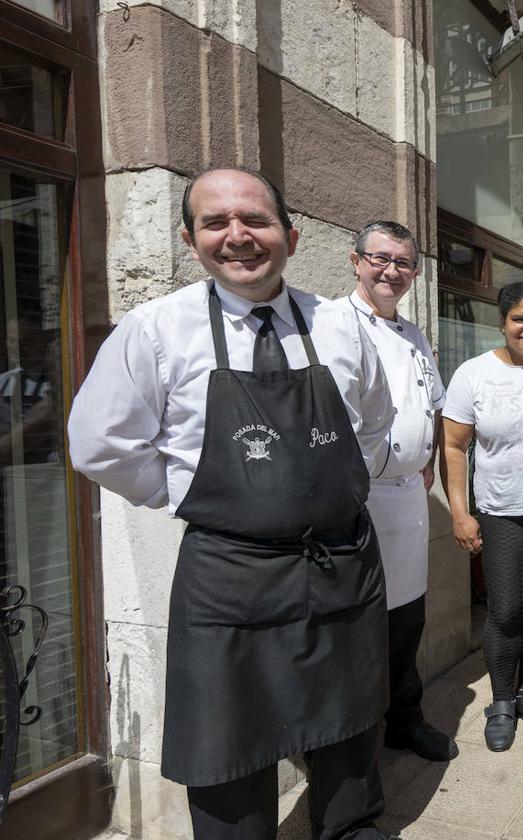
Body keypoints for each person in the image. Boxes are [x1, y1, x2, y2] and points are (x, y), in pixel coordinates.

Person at [68, 168, 397, 840]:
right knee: (227, 753)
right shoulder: (156, 330)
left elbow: (372, 421)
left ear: (292, 236)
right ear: (191, 241)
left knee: (349, 732)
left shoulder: (340, 325)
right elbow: (100, 445)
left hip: (342, 564)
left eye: (256, 220)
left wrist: (324, 487)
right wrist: (192, 493)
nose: (238, 236)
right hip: (229, 577)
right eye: (216, 223)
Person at [334, 220, 458, 762]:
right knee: (359, 624)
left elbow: (432, 400)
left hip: (408, 494)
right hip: (357, 499)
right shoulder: (334, 324)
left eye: (404, 263)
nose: (392, 271)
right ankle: (349, 742)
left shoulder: (413, 333)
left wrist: (427, 454)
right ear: (355, 260)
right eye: (380, 258)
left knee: (407, 616)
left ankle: (405, 719)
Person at [441, 282, 523, 752]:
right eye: (520, 319)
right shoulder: (473, 374)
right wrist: (461, 512)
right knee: (507, 608)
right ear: (502, 323)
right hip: (502, 511)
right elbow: (454, 448)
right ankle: (501, 700)